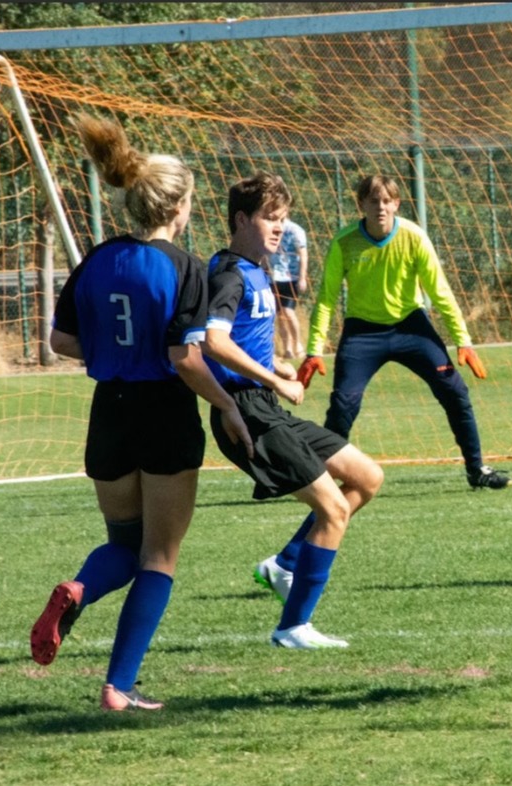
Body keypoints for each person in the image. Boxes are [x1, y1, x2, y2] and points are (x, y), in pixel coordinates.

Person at [29, 115, 253, 712]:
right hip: (163, 412)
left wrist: (114, 351)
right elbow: (184, 357)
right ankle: (118, 687)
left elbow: (63, 342)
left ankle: (79, 588)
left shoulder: (98, 259)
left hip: (109, 413)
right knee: (159, 557)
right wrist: (228, 404)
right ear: (177, 207)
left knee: (124, 546)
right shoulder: (187, 267)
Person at [250, 175, 511, 601]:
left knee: (455, 391)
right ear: (362, 206)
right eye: (374, 201)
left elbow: (438, 289)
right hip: (363, 332)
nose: (382, 208)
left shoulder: (413, 236)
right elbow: (329, 297)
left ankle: (476, 470)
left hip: (411, 326)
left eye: (388, 201)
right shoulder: (345, 241)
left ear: (397, 204)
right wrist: (314, 349)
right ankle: (308, 475)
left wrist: (461, 339)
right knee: (344, 405)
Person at [202, 171, 384, 649]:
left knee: (366, 478)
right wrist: (273, 382)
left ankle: (284, 564)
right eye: (269, 217)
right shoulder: (227, 273)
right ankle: (292, 627)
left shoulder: (260, 271)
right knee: (333, 510)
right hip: (246, 412)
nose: (280, 227)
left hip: (265, 404)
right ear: (241, 220)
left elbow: (242, 343)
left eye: (283, 218)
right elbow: (214, 344)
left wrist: (278, 364)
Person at [270, 216, 309, 360]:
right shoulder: (270, 228)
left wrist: (302, 277)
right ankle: (287, 348)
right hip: (273, 277)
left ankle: (297, 344)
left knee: (288, 312)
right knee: (280, 315)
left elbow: (303, 255)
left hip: (290, 278)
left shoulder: (295, 230)